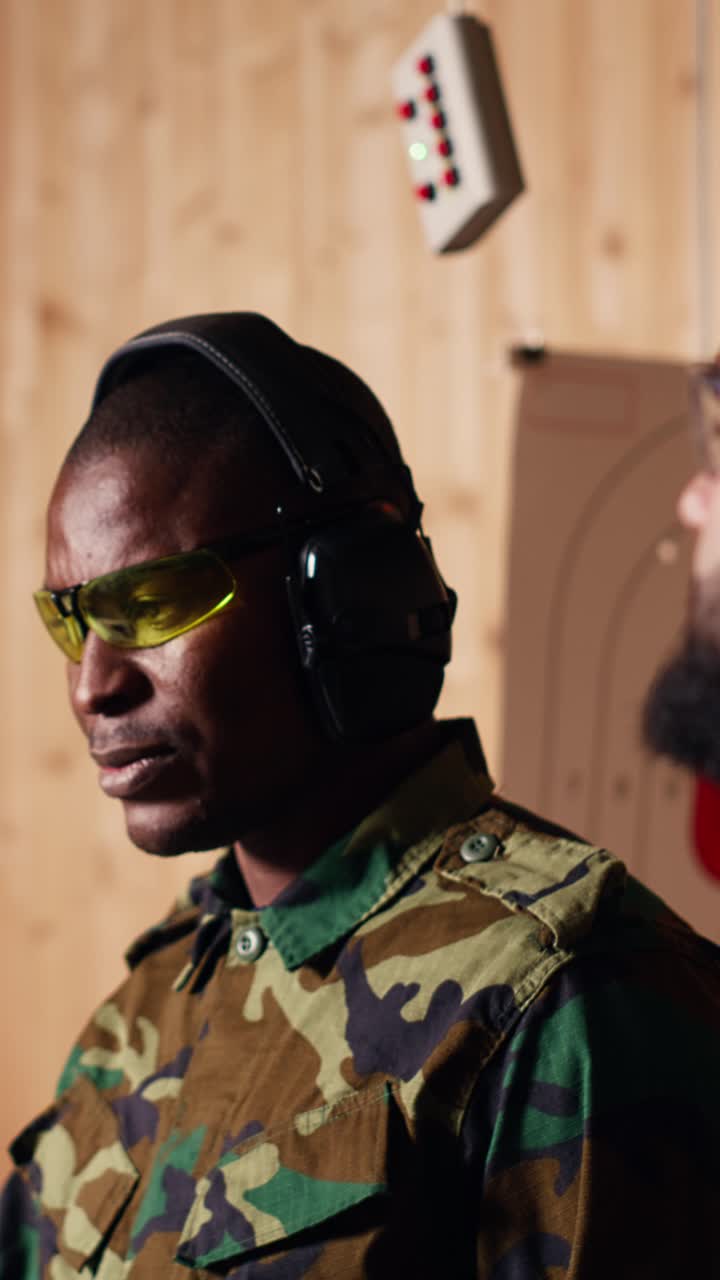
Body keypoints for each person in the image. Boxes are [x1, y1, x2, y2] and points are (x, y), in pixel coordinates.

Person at [1, 312, 718, 1280]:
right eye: (72, 619)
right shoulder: (144, 1010)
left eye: (154, 601)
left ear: (344, 598)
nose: (93, 683)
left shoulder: (568, 1000)